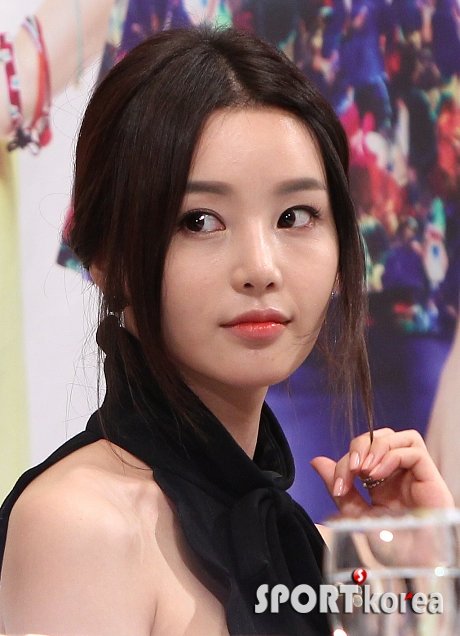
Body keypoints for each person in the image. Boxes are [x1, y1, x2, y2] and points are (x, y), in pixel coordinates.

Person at [0, 26, 453, 636]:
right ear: (107, 261)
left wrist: (425, 577)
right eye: (200, 221)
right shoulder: (84, 525)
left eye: (294, 216)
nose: (261, 268)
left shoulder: (302, 549)